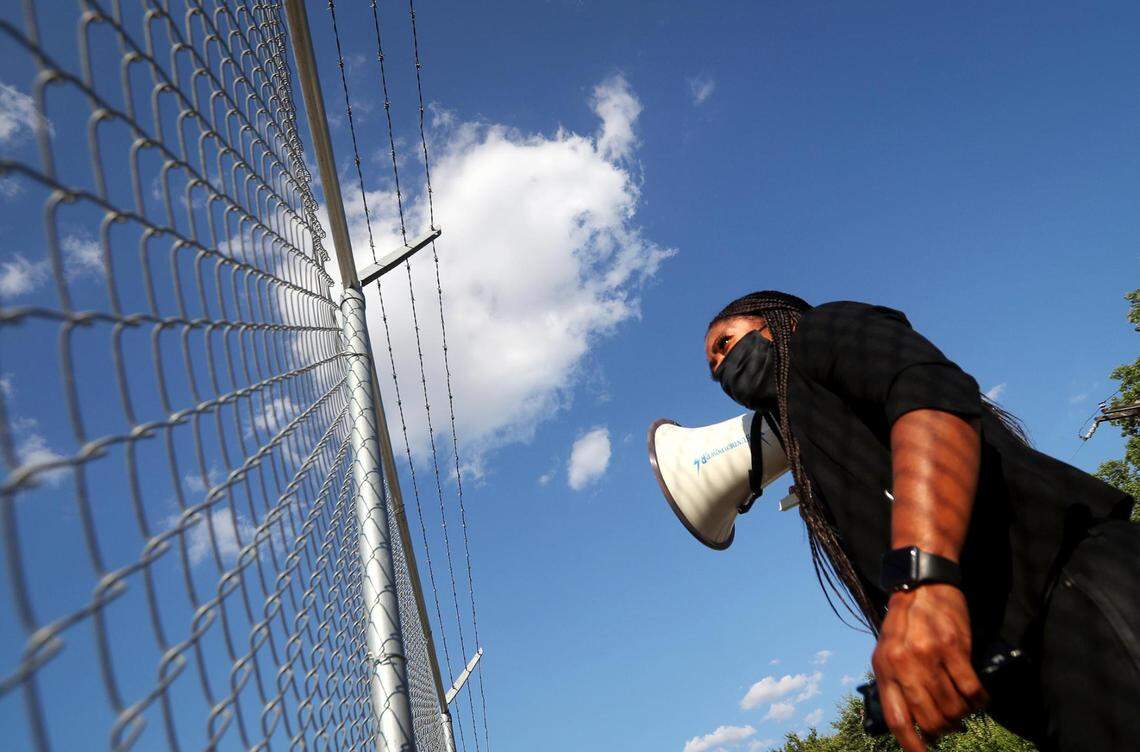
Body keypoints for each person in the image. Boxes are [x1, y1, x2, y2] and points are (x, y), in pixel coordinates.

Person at [703, 291, 1139, 752]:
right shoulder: (813, 446)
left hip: (1074, 596)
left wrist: (920, 579)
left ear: (779, 323)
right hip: (1032, 664)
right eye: (715, 374)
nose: (722, 370)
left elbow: (928, 391)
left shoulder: (821, 329)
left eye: (725, 344)